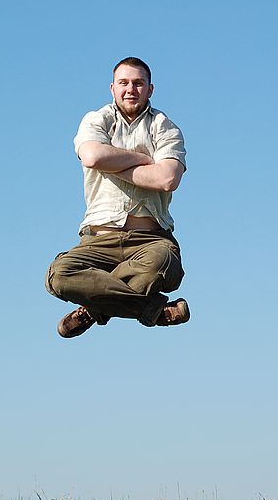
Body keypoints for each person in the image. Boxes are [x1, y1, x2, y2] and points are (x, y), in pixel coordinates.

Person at [45, 57, 190, 338]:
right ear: (112, 88)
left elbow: (167, 179)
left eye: (138, 83)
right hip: (99, 240)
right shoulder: (97, 119)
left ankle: (95, 307)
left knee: (161, 267)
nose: (130, 89)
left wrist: (112, 165)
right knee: (59, 275)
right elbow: (92, 155)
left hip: (150, 241)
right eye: (124, 83)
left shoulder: (165, 127)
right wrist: (143, 159)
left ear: (150, 89)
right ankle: (154, 311)